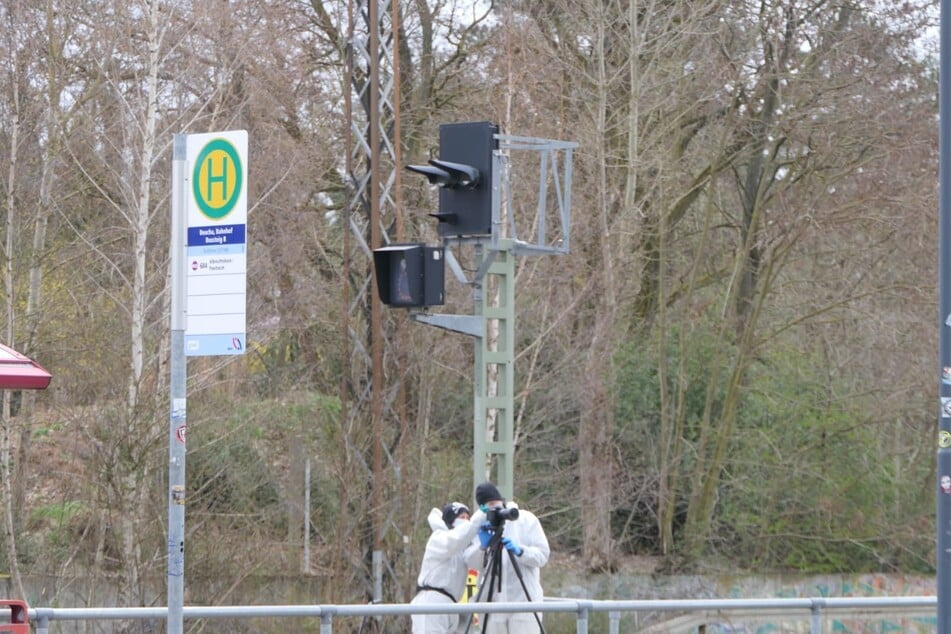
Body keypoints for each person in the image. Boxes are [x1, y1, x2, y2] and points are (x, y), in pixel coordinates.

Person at [464, 482, 550, 634]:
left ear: (502, 501)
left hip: (524, 603)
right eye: (487, 506)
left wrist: (520, 551)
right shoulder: (482, 525)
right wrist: (483, 547)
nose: (494, 510)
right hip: (493, 604)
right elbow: (472, 563)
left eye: (494, 504)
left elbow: (542, 556)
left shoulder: (525, 520)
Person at [411, 501, 486, 633]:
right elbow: (455, 540)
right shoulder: (439, 538)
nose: (466, 521)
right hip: (432, 602)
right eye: (462, 518)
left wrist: (483, 545)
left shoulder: (462, 549)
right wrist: (479, 517)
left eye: (468, 518)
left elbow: (477, 562)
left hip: (451, 606)